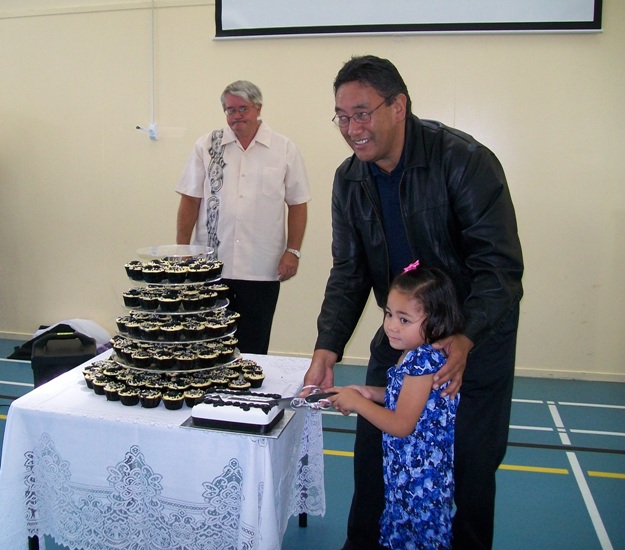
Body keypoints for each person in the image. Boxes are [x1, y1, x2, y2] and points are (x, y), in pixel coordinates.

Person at [303, 55, 524, 549]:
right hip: (403, 336)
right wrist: (327, 345)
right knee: (374, 454)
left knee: (469, 465)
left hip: (474, 338)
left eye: (362, 113)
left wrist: (465, 338)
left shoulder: (464, 161)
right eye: (342, 117)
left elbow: (500, 269)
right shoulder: (350, 179)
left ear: (398, 106)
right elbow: (349, 271)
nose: (352, 129)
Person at [328, 261, 464, 549]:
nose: (391, 325)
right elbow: (404, 397)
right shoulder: (411, 354)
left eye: (404, 320)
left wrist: (358, 404)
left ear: (436, 321)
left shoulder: (422, 361)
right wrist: (368, 393)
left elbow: (401, 425)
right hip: (405, 474)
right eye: (389, 314)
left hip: (420, 482)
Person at [176, 80, 311, 354]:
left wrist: (293, 251)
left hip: (262, 267)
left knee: (254, 346)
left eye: (242, 109)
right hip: (211, 267)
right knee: (208, 344)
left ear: (258, 108)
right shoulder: (207, 146)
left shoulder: (283, 148)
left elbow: (298, 204)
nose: (236, 116)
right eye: (230, 110)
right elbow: (190, 199)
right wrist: (182, 249)